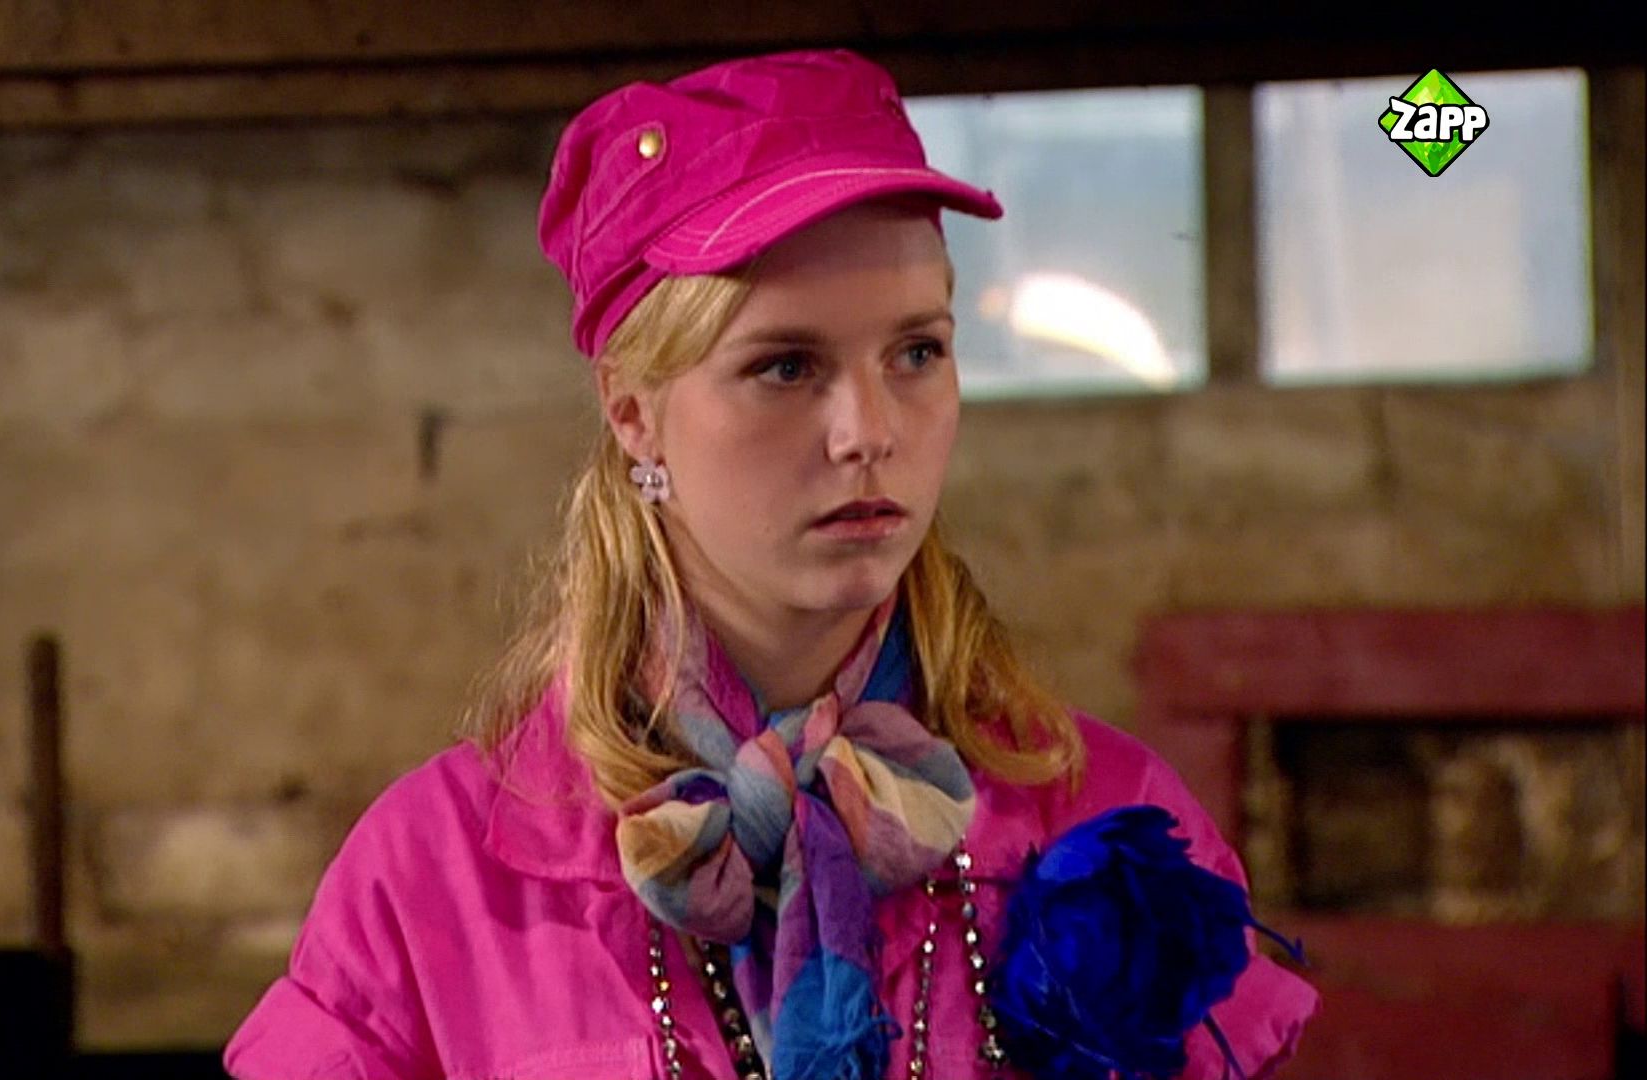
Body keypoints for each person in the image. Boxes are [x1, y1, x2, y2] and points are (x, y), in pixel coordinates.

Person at [225, 49, 1318, 1080]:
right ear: (634, 413)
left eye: (917, 352)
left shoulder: (1101, 824)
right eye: (786, 366)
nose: (868, 432)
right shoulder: (435, 883)